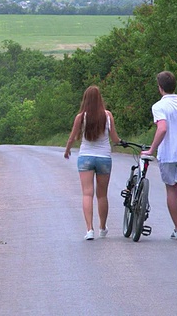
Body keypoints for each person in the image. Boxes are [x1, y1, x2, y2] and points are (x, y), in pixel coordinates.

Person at [142, 71, 177, 241]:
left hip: (168, 154)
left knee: (171, 189)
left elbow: (163, 128)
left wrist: (151, 149)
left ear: (160, 88)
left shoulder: (159, 106)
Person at [64, 86, 122, 240]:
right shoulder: (107, 116)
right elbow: (115, 139)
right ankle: (102, 227)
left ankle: (89, 230)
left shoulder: (81, 117)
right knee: (102, 195)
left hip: (86, 158)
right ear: (100, 99)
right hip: (104, 158)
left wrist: (67, 150)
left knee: (87, 193)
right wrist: (122, 143)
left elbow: (72, 137)